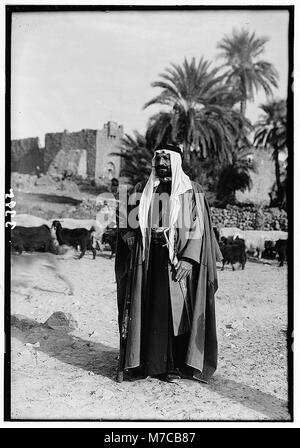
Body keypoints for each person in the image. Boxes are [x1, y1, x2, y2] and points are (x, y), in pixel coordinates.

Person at [115, 144, 222, 383]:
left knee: (176, 313)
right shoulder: (141, 190)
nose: (161, 164)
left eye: (166, 160)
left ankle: (174, 366)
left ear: (176, 162)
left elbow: (198, 228)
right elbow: (124, 214)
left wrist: (188, 259)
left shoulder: (190, 191)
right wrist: (129, 235)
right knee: (146, 308)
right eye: (158, 159)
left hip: (177, 261)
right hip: (147, 259)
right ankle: (144, 365)